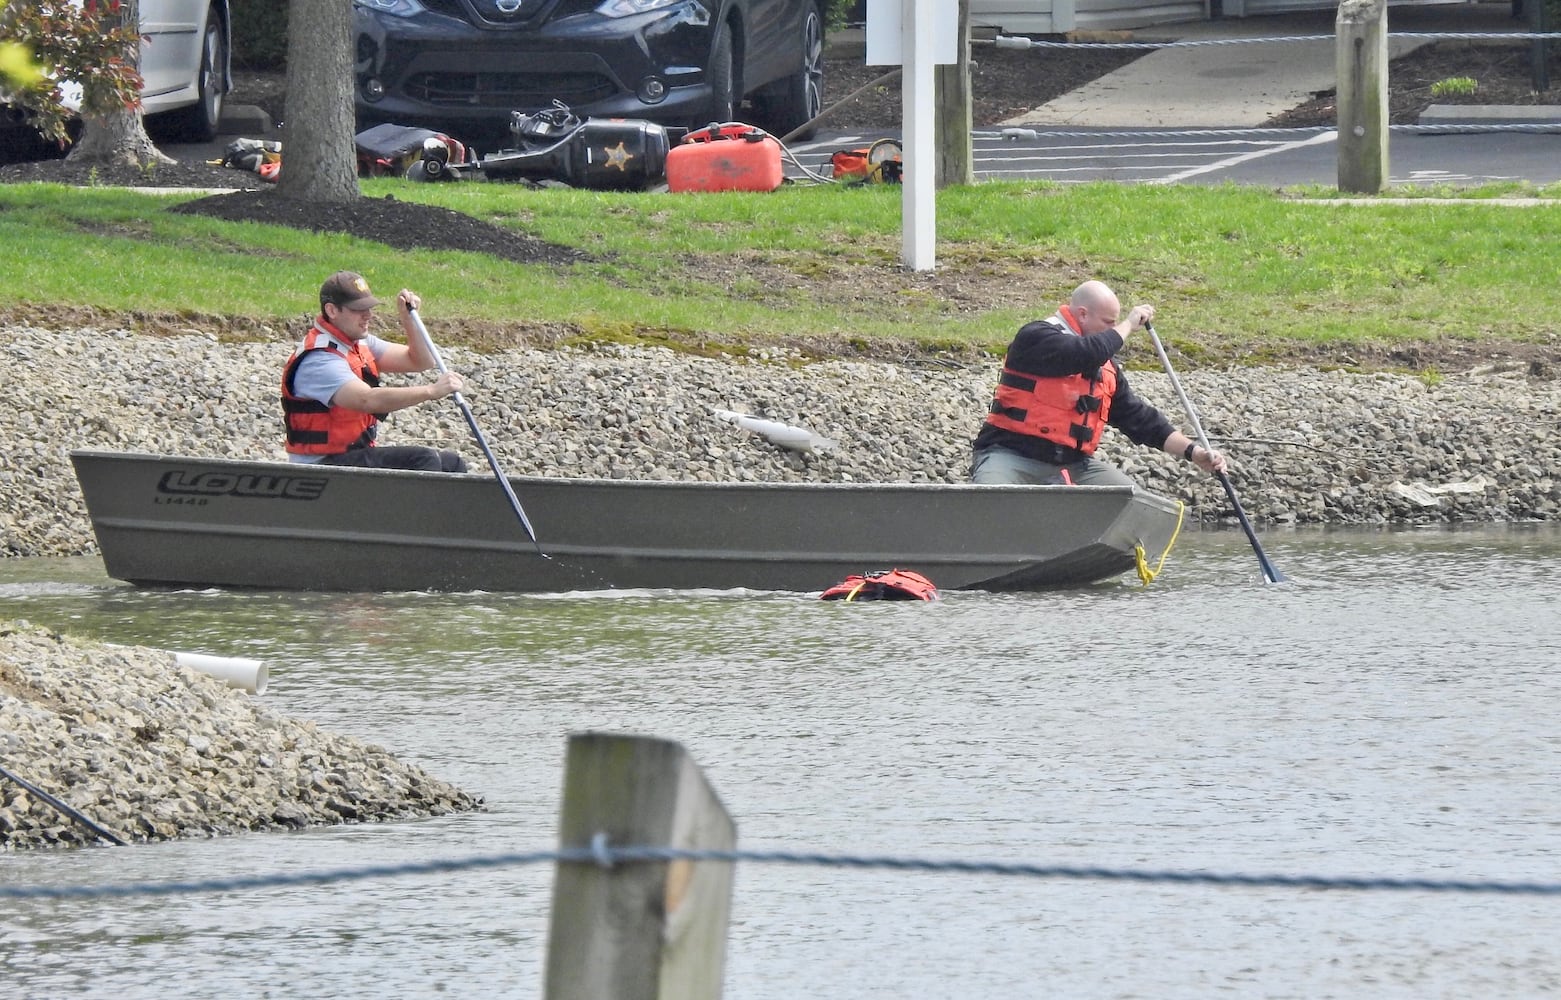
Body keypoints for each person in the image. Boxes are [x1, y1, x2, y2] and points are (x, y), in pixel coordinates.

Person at [971, 279, 1227, 487]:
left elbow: (1141, 420)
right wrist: (1128, 324)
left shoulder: (1105, 369)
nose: (1113, 329)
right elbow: (1083, 353)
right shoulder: (1037, 337)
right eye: (1108, 322)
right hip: (1009, 455)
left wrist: (1195, 453)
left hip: (1071, 466)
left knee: (1131, 502)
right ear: (1082, 314)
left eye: (1116, 323)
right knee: (994, 499)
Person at [281, 271, 469, 472]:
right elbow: (367, 400)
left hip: (353, 455)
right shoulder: (319, 359)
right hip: (322, 466)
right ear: (332, 310)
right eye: (358, 309)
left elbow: (421, 361)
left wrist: (409, 320)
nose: (368, 315)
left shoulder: (357, 342)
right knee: (423, 459)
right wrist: (431, 391)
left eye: (369, 308)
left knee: (452, 464)